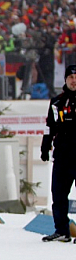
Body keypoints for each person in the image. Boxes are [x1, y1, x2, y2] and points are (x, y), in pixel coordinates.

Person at [40, 64, 76, 242]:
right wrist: (45, 146)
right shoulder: (57, 102)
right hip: (62, 155)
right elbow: (50, 127)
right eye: (71, 78)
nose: (74, 81)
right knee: (58, 194)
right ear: (66, 79)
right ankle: (61, 230)